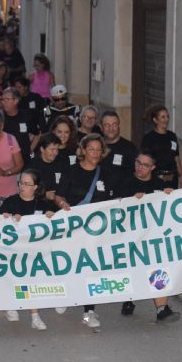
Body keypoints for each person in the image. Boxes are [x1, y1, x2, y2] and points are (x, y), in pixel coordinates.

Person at [54, 134, 119, 328]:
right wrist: (62, 203)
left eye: (99, 150)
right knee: (71, 265)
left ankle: (89, 310)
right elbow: (58, 196)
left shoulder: (106, 173)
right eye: (91, 149)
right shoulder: (71, 171)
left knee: (91, 269)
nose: (95, 153)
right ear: (83, 150)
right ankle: (65, 296)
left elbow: (114, 199)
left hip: (96, 232)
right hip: (73, 229)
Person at [117, 152, 179, 321]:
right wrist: (130, 200)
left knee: (159, 268)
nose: (140, 167)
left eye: (145, 165)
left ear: (152, 167)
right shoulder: (126, 183)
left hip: (153, 237)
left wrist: (169, 195)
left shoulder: (158, 184)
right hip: (131, 236)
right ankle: (128, 299)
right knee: (131, 269)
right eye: (138, 162)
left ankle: (161, 309)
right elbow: (117, 207)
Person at [0, 169, 55, 330]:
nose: (22, 186)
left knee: (33, 279)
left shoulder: (44, 204)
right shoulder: (10, 202)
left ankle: (35, 315)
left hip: (35, 252)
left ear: (36, 187)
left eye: (26, 184)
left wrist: (53, 216)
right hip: (13, 252)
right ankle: (12, 304)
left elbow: (57, 226)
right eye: (20, 183)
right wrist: (8, 218)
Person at [141, 105, 182, 189]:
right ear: (155, 120)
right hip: (156, 179)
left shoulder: (172, 136)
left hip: (173, 179)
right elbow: (144, 160)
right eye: (163, 117)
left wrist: (181, 176)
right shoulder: (148, 138)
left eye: (167, 116)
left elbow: (177, 157)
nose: (166, 119)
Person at [1, 87, 39, 165]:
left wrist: (30, 149)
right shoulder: (0, 117)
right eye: (2, 99)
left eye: (7, 99)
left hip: (25, 160)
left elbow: (37, 134)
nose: (3, 102)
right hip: (6, 160)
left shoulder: (26, 116)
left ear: (16, 101)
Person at [27, 133, 68, 201]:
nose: (56, 153)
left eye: (57, 149)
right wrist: (44, 195)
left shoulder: (62, 162)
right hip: (38, 204)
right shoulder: (32, 166)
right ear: (42, 149)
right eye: (52, 149)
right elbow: (27, 189)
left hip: (59, 203)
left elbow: (66, 183)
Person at [99, 110, 138, 176]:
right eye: (107, 125)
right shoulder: (96, 146)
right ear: (101, 128)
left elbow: (136, 173)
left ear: (118, 126)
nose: (111, 129)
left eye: (114, 125)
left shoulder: (129, 147)